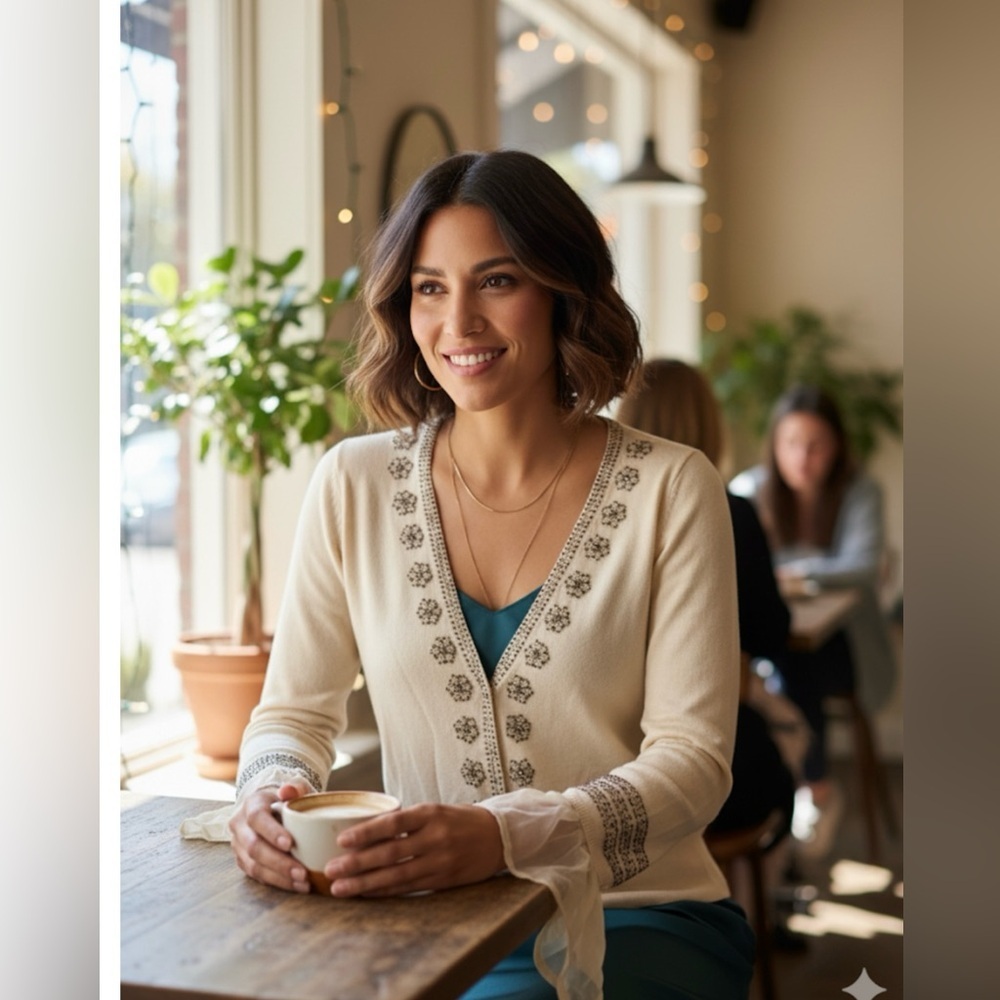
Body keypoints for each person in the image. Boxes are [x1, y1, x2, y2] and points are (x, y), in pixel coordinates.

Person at [226, 149, 755, 1000]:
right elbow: (292, 713)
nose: (458, 320)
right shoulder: (351, 483)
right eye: (430, 287)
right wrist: (266, 794)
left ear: (562, 292)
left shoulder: (672, 485)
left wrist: (505, 836)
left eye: (497, 281)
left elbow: (695, 762)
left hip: (640, 915)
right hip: (421, 919)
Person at [729, 384, 898, 854]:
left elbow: (863, 565)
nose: (803, 456)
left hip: (848, 646)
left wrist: (792, 571)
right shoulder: (751, 490)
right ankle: (807, 789)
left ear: (837, 446)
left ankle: (807, 788)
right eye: (791, 443)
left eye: (816, 444)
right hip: (779, 650)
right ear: (774, 445)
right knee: (782, 660)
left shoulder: (859, 490)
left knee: (793, 665)